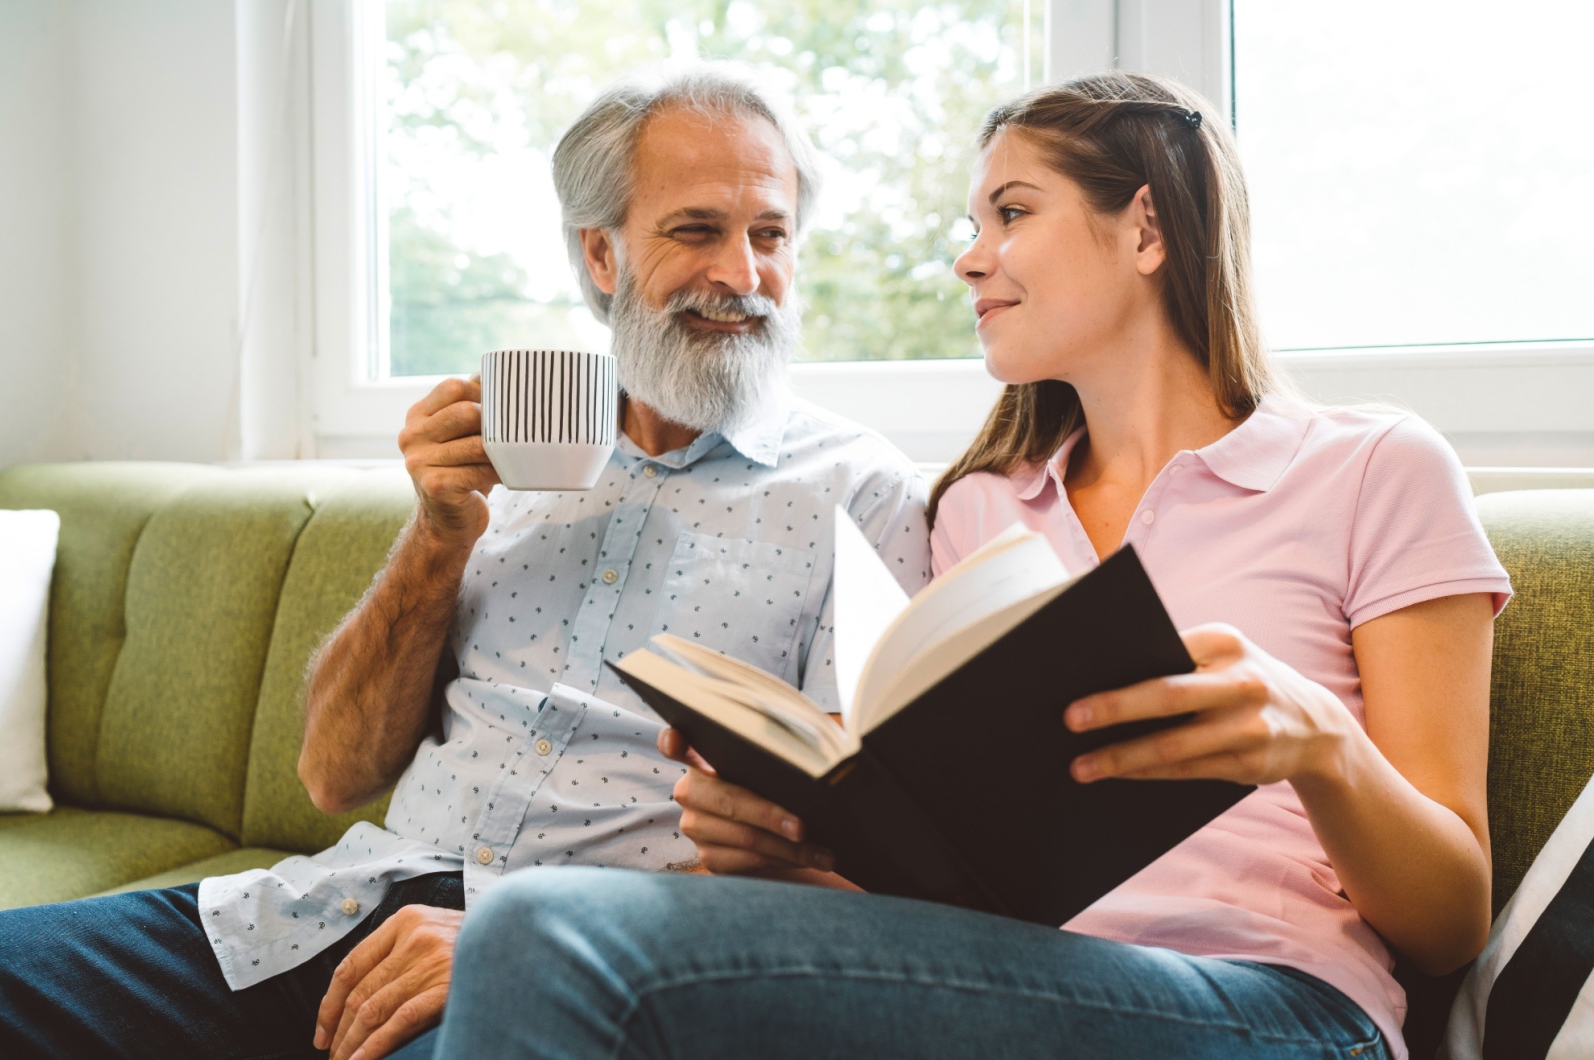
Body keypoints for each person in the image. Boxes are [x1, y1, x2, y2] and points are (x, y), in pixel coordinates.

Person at [425, 72, 1513, 1060]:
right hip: (1014, 983)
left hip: (1271, 1003)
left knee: (537, 932)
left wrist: (1319, 744)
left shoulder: (1372, 467)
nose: (967, 258)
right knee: (563, 941)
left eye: (1011, 214)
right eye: (971, 224)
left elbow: (1451, 916)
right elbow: (947, 876)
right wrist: (783, 846)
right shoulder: (979, 510)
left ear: (1143, 227)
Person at [0, 66, 930, 1060]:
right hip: (330, 908)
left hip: (581, 958)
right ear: (601, 253)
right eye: (695, 230)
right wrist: (439, 532)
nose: (742, 272)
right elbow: (331, 773)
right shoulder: (514, 450)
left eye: (770, 234)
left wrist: (521, 934)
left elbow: (847, 857)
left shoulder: (861, 492)